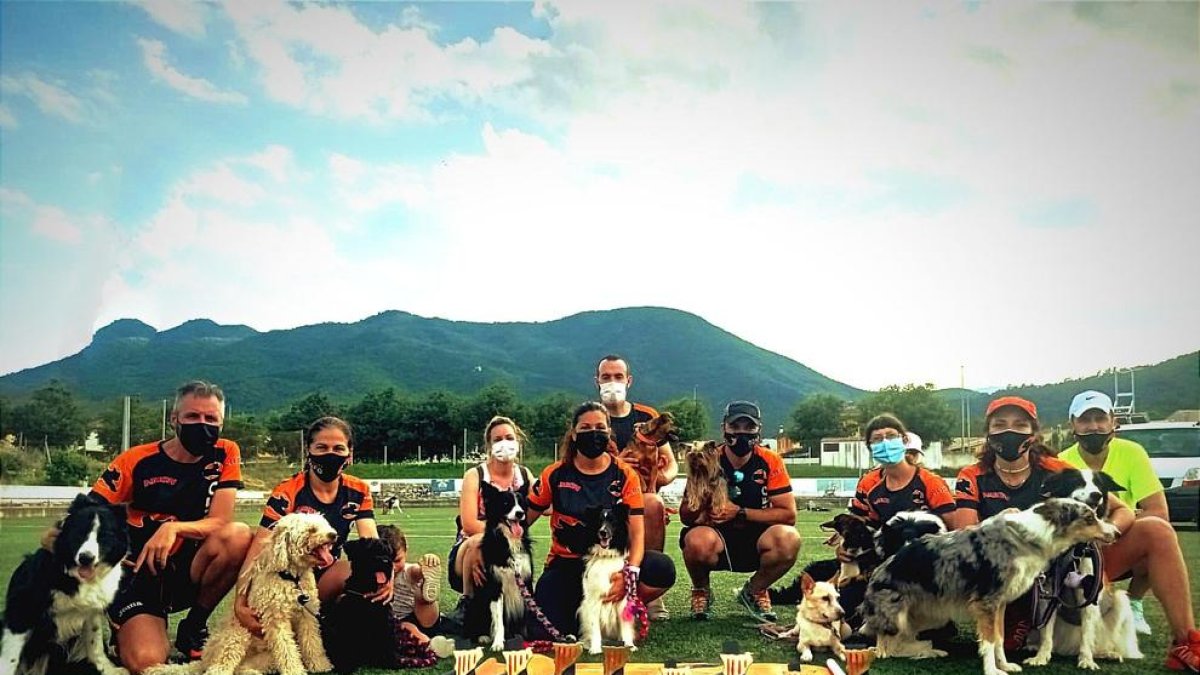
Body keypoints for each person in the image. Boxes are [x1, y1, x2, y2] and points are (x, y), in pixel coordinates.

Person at [956, 396, 1200, 671]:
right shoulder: (972, 474)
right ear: (987, 431)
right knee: (1011, 640)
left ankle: (1185, 642)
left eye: (1020, 424)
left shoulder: (1057, 469)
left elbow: (1123, 511)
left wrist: (1098, 541)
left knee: (1157, 530)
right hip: (1011, 574)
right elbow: (967, 534)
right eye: (1000, 424)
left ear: (1034, 433)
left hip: (1066, 563)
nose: (1009, 432)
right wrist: (1000, 522)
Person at [88, 380, 253, 672]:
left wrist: (173, 528)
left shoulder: (226, 452)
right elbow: (87, 515)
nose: (201, 424)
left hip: (187, 568)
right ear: (174, 419)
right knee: (148, 662)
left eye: (210, 418)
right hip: (137, 572)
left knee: (238, 535)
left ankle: (194, 626)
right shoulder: (136, 460)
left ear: (221, 423)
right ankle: (124, 624)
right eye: (192, 416)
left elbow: (221, 521)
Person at [234, 416, 396, 638]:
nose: (330, 454)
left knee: (360, 570)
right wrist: (239, 602)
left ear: (350, 454)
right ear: (308, 450)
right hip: (290, 577)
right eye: (321, 447)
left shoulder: (359, 490)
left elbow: (372, 545)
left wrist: (386, 578)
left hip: (327, 576)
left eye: (338, 448)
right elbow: (259, 548)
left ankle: (357, 631)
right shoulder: (288, 490)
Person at [526, 401, 676, 639]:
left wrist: (629, 576)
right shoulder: (554, 474)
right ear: (573, 434)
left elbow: (637, 535)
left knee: (661, 568)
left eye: (600, 427)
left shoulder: (624, 473)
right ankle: (589, 617)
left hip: (613, 563)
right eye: (585, 428)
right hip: (568, 563)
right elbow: (522, 521)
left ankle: (624, 608)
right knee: (544, 632)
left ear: (609, 432)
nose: (593, 433)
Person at [1059, 390, 1173, 636]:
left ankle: (1134, 603)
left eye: (1100, 419)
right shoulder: (1061, 462)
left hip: (1119, 541)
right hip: (1076, 552)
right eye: (1085, 420)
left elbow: (1158, 511)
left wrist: (1114, 530)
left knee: (1156, 530)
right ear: (1073, 424)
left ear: (1113, 421)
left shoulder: (1133, 453)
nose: (1094, 427)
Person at [679, 401, 800, 622]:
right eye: (735, 427)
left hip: (758, 537)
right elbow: (686, 516)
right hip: (717, 536)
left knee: (788, 538)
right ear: (724, 427)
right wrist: (704, 497)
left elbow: (789, 515)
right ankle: (701, 591)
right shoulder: (707, 456)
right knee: (696, 540)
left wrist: (740, 512)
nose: (742, 433)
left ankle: (754, 590)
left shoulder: (770, 460)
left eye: (749, 427)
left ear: (758, 430)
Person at [596, 354, 679, 619]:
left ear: (628, 380)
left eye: (618, 376)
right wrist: (616, 465)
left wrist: (659, 479)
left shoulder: (648, 417)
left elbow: (673, 465)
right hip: (602, 500)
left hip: (640, 499)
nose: (612, 382)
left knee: (653, 503)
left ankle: (652, 595)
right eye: (606, 377)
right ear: (597, 381)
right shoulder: (591, 417)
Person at [449, 416, 535, 596]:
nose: (504, 444)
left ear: (518, 442)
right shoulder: (475, 475)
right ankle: (468, 599)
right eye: (497, 440)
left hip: (510, 544)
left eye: (509, 438)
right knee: (477, 542)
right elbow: (469, 524)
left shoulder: (525, 475)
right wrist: (499, 535)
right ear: (489, 446)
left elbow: (544, 504)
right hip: (474, 544)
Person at [379, 525, 450, 653]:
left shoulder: (408, 571)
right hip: (397, 623)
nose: (393, 567)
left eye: (397, 560)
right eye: (387, 562)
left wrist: (427, 566)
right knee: (406, 628)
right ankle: (429, 643)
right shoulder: (375, 575)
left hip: (422, 616)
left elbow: (415, 571)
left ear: (406, 551)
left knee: (421, 594)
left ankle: (428, 645)